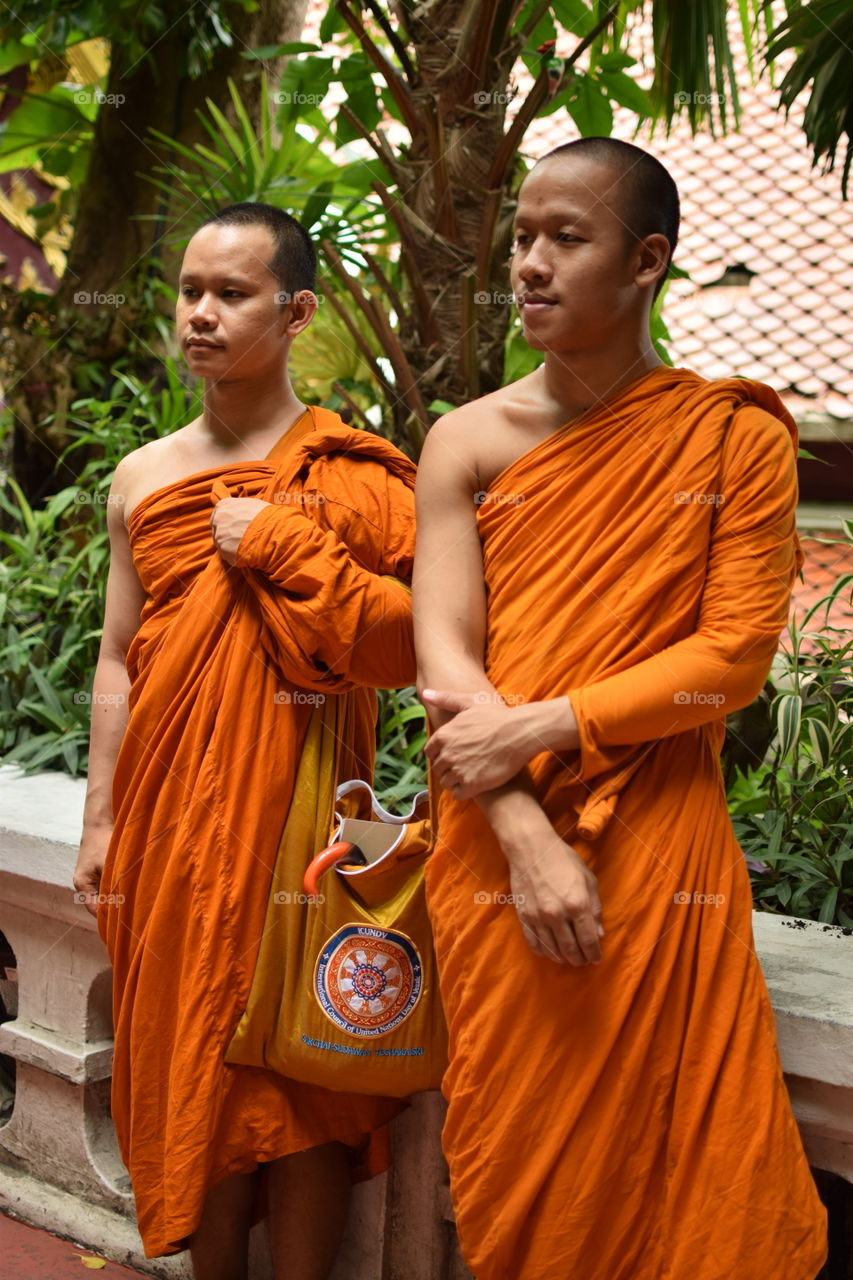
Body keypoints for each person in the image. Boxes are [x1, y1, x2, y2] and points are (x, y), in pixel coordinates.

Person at [412, 138, 828, 1280]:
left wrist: (540, 726)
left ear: (645, 260)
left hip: (659, 843)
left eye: (566, 238)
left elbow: (730, 659)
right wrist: (522, 825)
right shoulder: (467, 439)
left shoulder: (730, 438)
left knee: (688, 1173)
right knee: (522, 1171)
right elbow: (443, 652)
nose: (530, 264)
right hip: (496, 842)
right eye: (521, 239)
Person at [73, 202, 417, 1279]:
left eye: (231, 293)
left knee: (301, 1073)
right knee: (192, 1050)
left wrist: (275, 543)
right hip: (171, 820)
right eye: (189, 292)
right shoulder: (142, 478)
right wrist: (100, 819)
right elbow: (119, 657)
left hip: (307, 817)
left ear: (296, 308)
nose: (201, 314)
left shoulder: (357, 475)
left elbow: (404, 649)